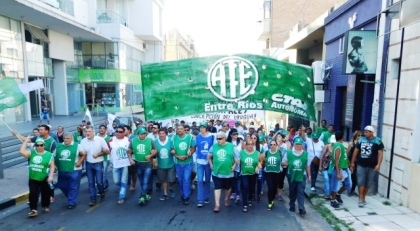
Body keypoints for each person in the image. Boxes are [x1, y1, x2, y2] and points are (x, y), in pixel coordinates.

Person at [13, 125, 58, 202]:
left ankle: (51, 196)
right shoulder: (38, 137)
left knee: (48, 183)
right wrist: (17, 134)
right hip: (36, 164)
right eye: (39, 130)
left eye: (41, 130)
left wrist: (53, 168)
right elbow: (26, 140)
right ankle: (34, 200)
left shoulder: (52, 142)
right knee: (35, 184)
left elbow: (54, 156)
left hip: (45, 166)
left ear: (47, 131)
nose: (39, 131)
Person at [20, 137, 55, 217]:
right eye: (37, 145)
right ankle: (34, 209)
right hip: (33, 178)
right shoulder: (32, 153)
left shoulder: (49, 155)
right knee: (33, 193)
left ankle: (46, 206)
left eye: (41, 145)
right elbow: (22, 152)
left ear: (44, 145)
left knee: (45, 193)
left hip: (44, 177)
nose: (39, 147)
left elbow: (52, 166)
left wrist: (51, 176)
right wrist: (25, 141)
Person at [350, 126, 384, 207]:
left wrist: (379, 164)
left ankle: (363, 197)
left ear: (372, 132)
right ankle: (360, 198)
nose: (365, 133)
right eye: (364, 132)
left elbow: (380, 154)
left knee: (368, 182)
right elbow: (356, 151)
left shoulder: (378, 141)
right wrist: (352, 162)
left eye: (367, 132)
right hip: (361, 164)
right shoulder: (361, 140)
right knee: (361, 181)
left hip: (372, 165)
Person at [80, 125, 110, 206]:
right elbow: (82, 153)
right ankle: (93, 200)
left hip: (98, 164)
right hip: (88, 164)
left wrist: (99, 154)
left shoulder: (100, 140)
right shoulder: (83, 141)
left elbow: (107, 151)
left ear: (93, 132)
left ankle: (102, 193)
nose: (87, 133)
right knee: (91, 183)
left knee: (99, 182)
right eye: (86, 132)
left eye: (89, 131)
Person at [208, 131, 237, 213]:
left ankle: (226, 198)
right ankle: (217, 205)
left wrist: (234, 166)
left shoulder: (231, 146)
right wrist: (210, 164)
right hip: (216, 171)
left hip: (228, 172)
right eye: (217, 139)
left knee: (228, 187)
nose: (218, 140)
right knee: (217, 186)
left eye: (220, 139)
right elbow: (209, 156)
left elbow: (237, 158)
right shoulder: (214, 146)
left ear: (224, 138)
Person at [55, 132, 86, 209]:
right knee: (61, 185)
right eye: (64, 138)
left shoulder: (77, 145)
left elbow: (84, 154)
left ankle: (72, 202)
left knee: (73, 187)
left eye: (67, 138)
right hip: (62, 170)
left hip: (74, 170)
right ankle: (71, 196)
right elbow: (54, 156)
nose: (65, 140)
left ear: (71, 139)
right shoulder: (59, 146)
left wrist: (80, 162)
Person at [128, 127, 157, 206]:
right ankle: (147, 193)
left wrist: (151, 155)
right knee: (141, 181)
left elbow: (155, 150)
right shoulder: (133, 141)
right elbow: (129, 151)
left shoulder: (150, 140)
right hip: (138, 164)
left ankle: (142, 196)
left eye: (144, 134)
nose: (143, 135)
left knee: (145, 181)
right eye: (141, 134)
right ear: (138, 134)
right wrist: (130, 159)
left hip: (148, 164)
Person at [282, 137, 311, 215]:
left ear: (302, 145)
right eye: (296, 144)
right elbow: (283, 163)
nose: (298, 145)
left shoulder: (305, 154)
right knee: (292, 191)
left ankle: (301, 208)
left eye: (299, 144)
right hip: (291, 174)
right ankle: (292, 205)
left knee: (300, 192)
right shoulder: (289, 153)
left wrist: (309, 176)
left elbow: (307, 166)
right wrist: (288, 163)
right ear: (293, 144)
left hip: (302, 175)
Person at [172, 125, 196, 205]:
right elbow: (172, 150)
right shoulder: (173, 138)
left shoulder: (189, 137)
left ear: (184, 130)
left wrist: (188, 155)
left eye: (181, 129)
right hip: (178, 163)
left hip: (188, 162)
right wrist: (177, 156)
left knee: (186, 179)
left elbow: (193, 148)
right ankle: (183, 194)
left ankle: (186, 197)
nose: (179, 130)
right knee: (180, 180)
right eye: (178, 129)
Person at [108, 126, 131, 204]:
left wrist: (131, 157)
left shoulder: (128, 140)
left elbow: (131, 151)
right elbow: (107, 150)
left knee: (123, 180)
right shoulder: (111, 140)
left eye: (120, 132)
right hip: (115, 164)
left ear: (124, 133)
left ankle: (121, 196)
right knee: (116, 181)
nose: (118, 133)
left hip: (125, 163)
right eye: (117, 131)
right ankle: (122, 186)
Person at [240, 139, 263, 212]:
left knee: (252, 188)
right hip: (244, 173)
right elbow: (237, 160)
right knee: (245, 186)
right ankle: (245, 204)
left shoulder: (257, 153)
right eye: (248, 144)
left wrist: (258, 165)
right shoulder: (242, 152)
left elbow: (261, 161)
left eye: (251, 144)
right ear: (245, 145)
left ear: (253, 145)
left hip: (253, 173)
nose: (250, 146)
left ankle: (250, 199)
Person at [330, 131, 352, 209]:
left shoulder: (341, 145)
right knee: (336, 186)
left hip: (345, 167)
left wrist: (349, 164)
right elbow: (336, 160)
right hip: (338, 169)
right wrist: (338, 173)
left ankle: (338, 195)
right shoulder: (338, 146)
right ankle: (332, 201)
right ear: (342, 137)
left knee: (348, 184)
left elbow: (344, 157)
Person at [195, 122, 214, 207]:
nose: (201, 129)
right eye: (200, 127)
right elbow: (194, 147)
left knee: (207, 180)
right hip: (199, 161)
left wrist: (211, 156)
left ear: (206, 128)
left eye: (203, 127)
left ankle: (206, 197)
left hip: (208, 161)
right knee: (199, 180)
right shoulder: (197, 137)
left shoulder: (212, 137)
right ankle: (200, 200)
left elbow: (214, 148)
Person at [155, 128, 176, 200]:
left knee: (171, 180)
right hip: (161, 165)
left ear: (166, 134)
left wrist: (173, 151)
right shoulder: (155, 142)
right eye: (160, 133)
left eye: (163, 133)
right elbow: (153, 151)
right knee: (163, 180)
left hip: (170, 164)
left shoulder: (170, 140)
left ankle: (171, 188)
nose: (161, 135)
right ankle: (165, 193)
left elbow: (174, 149)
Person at [263, 140, 282, 211]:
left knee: (274, 188)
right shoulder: (267, 152)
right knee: (270, 187)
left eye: (274, 144)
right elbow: (263, 159)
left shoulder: (279, 152)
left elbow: (282, 159)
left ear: (276, 145)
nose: (272, 146)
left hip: (277, 173)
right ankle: (269, 202)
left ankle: (272, 199)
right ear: (269, 145)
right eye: (271, 144)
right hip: (269, 172)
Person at [227, 128, 243, 204]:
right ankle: (233, 192)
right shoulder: (227, 143)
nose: (236, 135)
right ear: (231, 135)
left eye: (237, 134)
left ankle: (238, 195)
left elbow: (243, 152)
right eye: (234, 134)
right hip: (230, 163)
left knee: (237, 179)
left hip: (238, 163)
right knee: (231, 179)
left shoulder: (241, 142)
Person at [319, 135, 336, 200]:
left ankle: (330, 192)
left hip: (332, 167)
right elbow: (322, 156)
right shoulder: (326, 147)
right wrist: (320, 166)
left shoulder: (337, 147)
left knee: (331, 180)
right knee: (326, 178)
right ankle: (327, 193)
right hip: (325, 166)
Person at [347, 130, 362, 197]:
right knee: (351, 177)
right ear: (356, 136)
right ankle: (349, 190)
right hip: (351, 161)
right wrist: (349, 163)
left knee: (356, 178)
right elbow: (347, 154)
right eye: (359, 135)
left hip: (358, 162)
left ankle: (352, 190)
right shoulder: (351, 143)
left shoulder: (361, 143)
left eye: (361, 135)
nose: (360, 137)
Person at [97, 125, 111, 191]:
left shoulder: (109, 138)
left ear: (105, 130)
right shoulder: (95, 137)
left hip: (106, 158)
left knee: (103, 172)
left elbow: (110, 149)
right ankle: (105, 183)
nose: (102, 129)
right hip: (97, 157)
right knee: (100, 172)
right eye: (100, 128)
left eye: (103, 128)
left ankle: (103, 185)